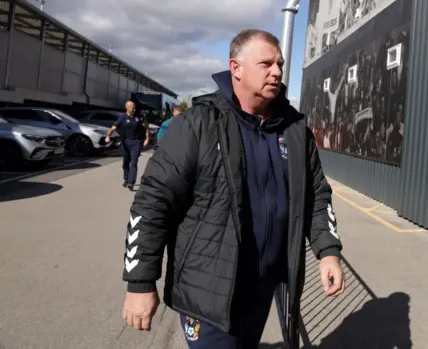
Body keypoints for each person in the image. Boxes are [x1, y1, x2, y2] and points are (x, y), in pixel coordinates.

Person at [120, 29, 345, 348]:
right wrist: (140, 282)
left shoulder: (295, 130)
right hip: (208, 291)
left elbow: (316, 196)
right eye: (266, 63)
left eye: (279, 63)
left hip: (264, 286)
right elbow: (153, 203)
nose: (277, 71)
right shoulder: (198, 125)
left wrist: (328, 250)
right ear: (235, 68)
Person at [106, 101, 150, 191]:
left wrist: (147, 138)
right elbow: (113, 128)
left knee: (134, 162)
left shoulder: (139, 117)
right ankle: (126, 179)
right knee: (126, 163)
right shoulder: (122, 117)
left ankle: (131, 182)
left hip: (136, 142)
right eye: (132, 108)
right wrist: (108, 136)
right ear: (127, 108)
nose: (134, 109)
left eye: (135, 108)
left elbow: (146, 128)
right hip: (125, 142)